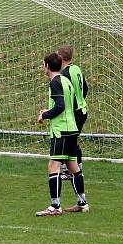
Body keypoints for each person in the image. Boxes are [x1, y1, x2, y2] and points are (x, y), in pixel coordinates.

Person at [35, 53, 89, 216]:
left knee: (53, 165)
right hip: (71, 127)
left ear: (46, 65)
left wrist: (44, 115)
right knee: (73, 166)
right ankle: (82, 203)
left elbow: (60, 106)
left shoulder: (55, 82)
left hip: (62, 130)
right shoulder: (66, 81)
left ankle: (55, 206)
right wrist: (49, 110)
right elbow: (68, 105)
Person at [57, 45, 89, 179]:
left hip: (75, 112)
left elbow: (66, 94)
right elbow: (86, 88)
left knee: (69, 141)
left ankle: (73, 171)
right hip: (82, 109)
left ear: (61, 58)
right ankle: (76, 169)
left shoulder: (65, 74)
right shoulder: (76, 68)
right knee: (72, 140)